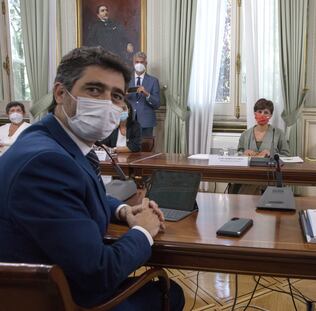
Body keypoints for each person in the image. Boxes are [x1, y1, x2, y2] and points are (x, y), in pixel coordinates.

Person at [0, 47, 184, 311]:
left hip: (59, 282)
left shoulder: (53, 140)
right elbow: (100, 273)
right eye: (95, 90)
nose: (108, 103)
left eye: (117, 96)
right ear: (61, 93)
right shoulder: (46, 163)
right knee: (170, 291)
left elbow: (79, 193)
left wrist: (124, 211)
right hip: (61, 299)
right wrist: (143, 230)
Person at [127, 52, 160, 138]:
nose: (139, 64)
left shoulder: (153, 81)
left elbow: (157, 104)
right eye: (137, 62)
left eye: (141, 62)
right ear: (133, 63)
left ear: (146, 63)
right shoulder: (126, 80)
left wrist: (147, 94)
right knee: (128, 149)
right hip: (128, 121)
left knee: (146, 148)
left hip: (146, 122)